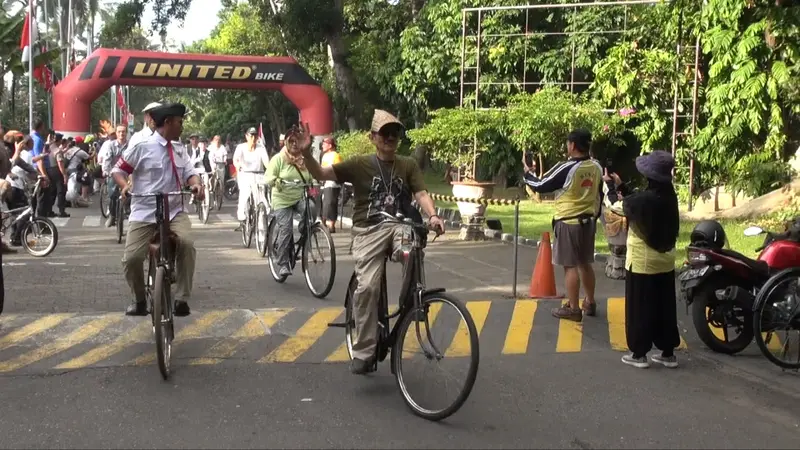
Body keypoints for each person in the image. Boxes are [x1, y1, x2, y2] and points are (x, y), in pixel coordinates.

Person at [299, 109, 445, 375]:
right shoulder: (359, 165)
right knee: (367, 287)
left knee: (412, 246)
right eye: (385, 133)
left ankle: (411, 302)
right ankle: (364, 350)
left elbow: (421, 192)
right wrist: (308, 152)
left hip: (398, 226)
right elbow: (321, 174)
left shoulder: (408, 164)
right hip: (367, 231)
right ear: (373, 137)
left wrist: (433, 215)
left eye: (395, 133)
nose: (391, 138)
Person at [112, 103, 204, 317]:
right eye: (179, 122)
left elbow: (190, 173)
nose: (182, 127)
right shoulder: (142, 146)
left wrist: (196, 184)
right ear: (168, 122)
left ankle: (181, 299)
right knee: (132, 258)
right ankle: (139, 300)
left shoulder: (180, 149)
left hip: (174, 211)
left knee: (188, 244)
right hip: (144, 211)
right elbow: (118, 170)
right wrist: (125, 185)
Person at [605, 151, 681, 369]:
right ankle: (668, 353)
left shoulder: (644, 200)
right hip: (666, 261)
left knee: (640, 307)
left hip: (642, 262)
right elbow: (635, 202)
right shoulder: (669, 196)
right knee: (664, 307)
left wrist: (611, 188)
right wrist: (621, 186)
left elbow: (617, 206)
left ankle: (639, 354)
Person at [522, 129, 602, 322]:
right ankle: (589, 302)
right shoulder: (596, 166)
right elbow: (600, 193)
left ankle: (574, 308)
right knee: (585, 262)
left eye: (568, 144)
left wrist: (528, 173)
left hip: (568, 222)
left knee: (570, 266)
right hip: (588, 221)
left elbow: (541, 185)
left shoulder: (567, 168)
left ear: (573, 145)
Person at [265, 128, 315, 277]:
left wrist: (315, 182)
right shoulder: (279, 158)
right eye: (291, 141)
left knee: (311, 208)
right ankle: (283, 262)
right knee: (286, 229)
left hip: (299, 196)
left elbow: (312, 174)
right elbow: (268, 177)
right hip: (282, 199)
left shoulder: (305, 159)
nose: (294, 144)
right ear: (286, 143)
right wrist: (276, 181)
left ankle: (304, 230)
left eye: (297, 141)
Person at [232, 127, 269, 230]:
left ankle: (262, 217)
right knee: (244, 195)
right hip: (245, 175)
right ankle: (242, 219)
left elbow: (266, 162)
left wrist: (270, 171)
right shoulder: (241, 147)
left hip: (259, 175)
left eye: (255, 135)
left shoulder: (261, 148)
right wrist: (238, 165)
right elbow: (236, 159)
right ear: (247, 136)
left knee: (261, 197)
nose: (253, 138)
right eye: (251, 135)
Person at [101, 124, 129, 228]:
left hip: (127, 173)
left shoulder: (130, 145)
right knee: (112, 195)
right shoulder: (111, 145)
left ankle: (128, 210)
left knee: (130, 193)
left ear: (126, 133)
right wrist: (106, 171)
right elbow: (107, 159)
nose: (121, 133)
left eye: (123, 131)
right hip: (113, 173)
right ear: (116, 133)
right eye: (119, 132)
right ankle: (112, 216)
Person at [319, 136, 342, 232]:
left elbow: (339, 169)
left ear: (330, 145)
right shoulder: (324, 156)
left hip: (333, 183)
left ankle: (331, 224)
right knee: (325, 202)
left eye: (325, 143)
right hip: (325, 182)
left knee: (330, 203)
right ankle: (324, 221)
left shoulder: (335, 155)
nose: (323, 145)